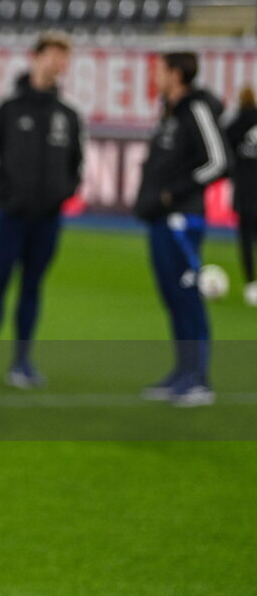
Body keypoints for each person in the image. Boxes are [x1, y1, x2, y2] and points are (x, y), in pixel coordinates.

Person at [0, 31, 84, 390]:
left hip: (47, 220)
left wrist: (63, 195)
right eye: (53, 55)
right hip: (9, 217)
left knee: (32, 288)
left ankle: (22, 363)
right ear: (35, 57)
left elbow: (78, 165)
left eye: (64, 57)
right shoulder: (7, 106)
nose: (58, 63)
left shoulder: (68, 113)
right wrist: (5, 192)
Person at [134, 51, 229, 407]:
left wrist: (177, 193)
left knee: (188, 298)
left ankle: (199, 380)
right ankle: (182, 371)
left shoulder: (195, 109)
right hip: (161, 218)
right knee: (172, 297)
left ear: (176, 74)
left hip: (182, 220)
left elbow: (218, 161)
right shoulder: (169, 111)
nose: (154, 76)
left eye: (159, 70)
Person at [225, 86, 257, 307]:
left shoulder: (237, 123)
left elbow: (224, 144)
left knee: (245, 239)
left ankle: (251, 284)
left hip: (245, 189)